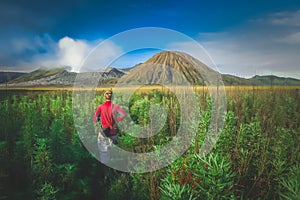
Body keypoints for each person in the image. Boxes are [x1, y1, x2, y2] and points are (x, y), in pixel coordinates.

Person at [93, 89, 126, 163]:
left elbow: (95, 119)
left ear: (105, 97)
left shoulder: (100, 107)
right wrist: (116, 120)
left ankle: (105, 169)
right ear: (112, 97)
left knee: (104, 152)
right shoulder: (115, 107)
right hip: (114, 132)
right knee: (115, 153)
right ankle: (115, 168)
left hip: (104, 132)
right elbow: (124, 114)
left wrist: (100, 118)